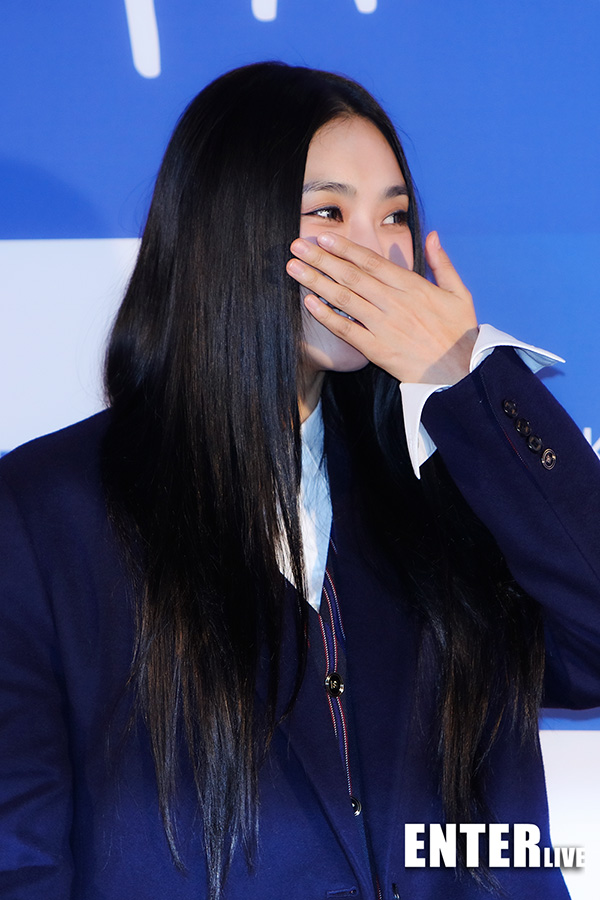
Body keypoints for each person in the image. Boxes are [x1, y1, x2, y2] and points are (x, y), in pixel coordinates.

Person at [1, 61, 599, 900]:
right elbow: (22, 858)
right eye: (329, 213)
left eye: (395, 215)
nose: (378, 251)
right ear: (229, 230)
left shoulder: (458, 476)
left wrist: (469, 382)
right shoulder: (45, 513)